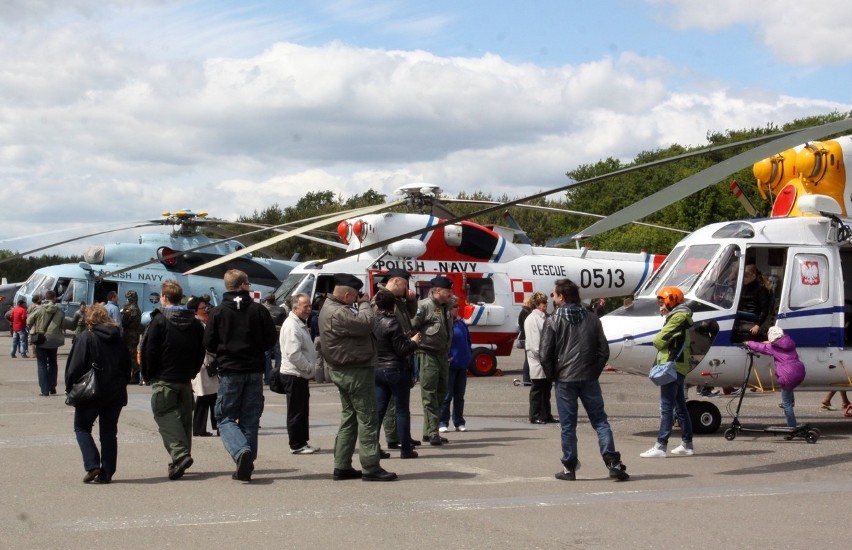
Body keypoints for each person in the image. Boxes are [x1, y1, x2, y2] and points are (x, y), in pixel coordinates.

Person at [540, 279, 629, 482]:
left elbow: (545, 354)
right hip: (588, 377)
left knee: (568, 425)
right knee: (600, 421)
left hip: (565, 379)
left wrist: (554, 376)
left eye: (554, 294)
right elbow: (603, 351)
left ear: (562, 296)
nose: (552, 297)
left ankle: (569, 468)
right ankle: (612, 462)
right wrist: (593, 371)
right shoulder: (591, 318)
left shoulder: (553, 320)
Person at [319, 273, 397, 482]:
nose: (357, 300)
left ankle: (342, 464)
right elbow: (366, 324)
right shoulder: (339, 312)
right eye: (354, 297)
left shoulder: (330, 308)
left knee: (350, 417)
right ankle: (371, 466)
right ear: (346, 295)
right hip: (354, 370)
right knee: (368, 417)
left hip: (345, 368)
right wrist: (364, 305)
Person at [204, 269, 277, 482]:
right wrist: (255, 350)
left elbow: (208, 342)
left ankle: (240, 451)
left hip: (229, 370)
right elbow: (271, 339)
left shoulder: (217, 312)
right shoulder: (258, 310)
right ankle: (246, 462)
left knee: (224, 417)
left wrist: (225, 350)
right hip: (254, 369)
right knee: (250, 418)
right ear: (243, 285)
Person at [141, 280, 206, 480]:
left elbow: (149, 350)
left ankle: (179, 455)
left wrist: (148, 374)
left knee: (165, 415)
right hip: (185, 378)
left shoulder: (159, 321)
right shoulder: (194, 322)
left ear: (164, 297)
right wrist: (193, 371)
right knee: (185, 420)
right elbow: (200, 350)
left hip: (165, 377)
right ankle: (180, 459)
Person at [65, 303, 131, 484]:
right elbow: (128, 365)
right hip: (115, 393)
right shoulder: (118, 338)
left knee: (81, 428)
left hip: (90, 392)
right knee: (109, 433)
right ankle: (107, 472)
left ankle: (92, 463)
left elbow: (74, 368)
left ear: (89, 318)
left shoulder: (86, 337)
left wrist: (70, 388)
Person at [640, 286, 695, 458]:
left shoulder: (678, 318)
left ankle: (660, 446)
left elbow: (658, 340)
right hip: (677, 367)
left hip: (672, 366)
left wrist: (659, 340)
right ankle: (687, 444)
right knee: (680, 407)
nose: (661, 308)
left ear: (672, 302)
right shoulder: (680, 317)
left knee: (666, 407)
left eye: (663, 303)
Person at [372, 268, 421, 452]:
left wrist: (411, 300)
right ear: (398, 282)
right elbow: (385, 330)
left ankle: (401, 437)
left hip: (390, 359)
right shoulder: (381, 300)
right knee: (394, 406)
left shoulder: (397, 301)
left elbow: (409, 316)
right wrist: (411, 342)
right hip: (393, 358)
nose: (407, 288)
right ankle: (395, 439)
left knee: (387, 405)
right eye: (405, 284)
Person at [412, 275, 454, 446]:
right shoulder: (424, 306)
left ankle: (429, 431)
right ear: (437, 291)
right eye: (448, 290)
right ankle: (432, 432)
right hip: (428, 353)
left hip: (442, 355)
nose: (450, 294)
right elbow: (412, 325)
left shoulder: (447, 306)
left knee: (441, 393)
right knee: (429, 394)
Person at [279, 293, 320, 454]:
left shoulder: (299, 323)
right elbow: (293, 353)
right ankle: (296, 444)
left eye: (310, 306)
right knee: (296, 411)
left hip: (300, 374)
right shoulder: (291, 325)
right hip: (294, 374)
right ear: (295, 308)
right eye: (305, 306)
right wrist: (308, 368)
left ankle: (302, 441)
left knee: (302, 409)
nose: (309, 309)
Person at [745, 326, 806, 427]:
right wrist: (768, 342)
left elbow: (761, 347)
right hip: (799, 371)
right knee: (790, 389)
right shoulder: (789, 343)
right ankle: (791, 401)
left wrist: (748, 343)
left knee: (786, 404)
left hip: (788, 375)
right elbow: (772, 344)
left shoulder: (773, 348)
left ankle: (792, 426)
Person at [188, 296, 218, 437]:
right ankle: (199, 428)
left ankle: (217, 425)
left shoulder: (206, 321)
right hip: (203, 364)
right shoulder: (196, 324)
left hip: (210, 363)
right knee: (203, 396)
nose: (206, 310)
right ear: (195, 311)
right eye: (202, 308)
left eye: (206, 307)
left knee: (214, 396)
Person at [439, 297, 471, 433]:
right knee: (447, 395)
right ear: (448, 309)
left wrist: (469, 355)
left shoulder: (461, 323)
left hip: (462, 364)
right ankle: (442, 421)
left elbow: (468, 340)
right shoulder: (446, 323)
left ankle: (459, 421)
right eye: (455, 306)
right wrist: (447, 357)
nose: (458, 309)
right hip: (450, 364)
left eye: (458, 306)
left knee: (459, 395)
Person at [525, 292, 556, 424]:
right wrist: (543, 356)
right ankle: (535, 415)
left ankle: (546, 414)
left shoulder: (544, 317)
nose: (546, 305)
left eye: (546, 303)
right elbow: (534, 342)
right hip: (538, 358)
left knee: (546, 389)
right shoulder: (532, 319)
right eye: (543, 303)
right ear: (537, 304)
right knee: (537, 389)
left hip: (545, 357)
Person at [27, 290, 66, 396]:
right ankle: (52, 386)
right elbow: (63, 325)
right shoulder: (60, 311)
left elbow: (28, 320)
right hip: (54, 340)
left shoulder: (39, 309)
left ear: (45, 297)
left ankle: (45, 389)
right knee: (53, 363)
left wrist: (37, 325)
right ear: (55, 297)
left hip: (42, 339)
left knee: (42, 364)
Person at [733, 264, 771, 342]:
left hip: (754, 315)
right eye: (742, 276)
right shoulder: (744, 287)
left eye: (746, 276)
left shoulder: (761, 290)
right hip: (744, 313)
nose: (743, 278)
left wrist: (758, 325)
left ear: (753, 277)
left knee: (734, 313)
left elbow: (765, 309)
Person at [121, 290, 143, 384]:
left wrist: (124, 314)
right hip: (132, 335)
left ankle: (136, 375)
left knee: (131, 356)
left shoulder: (132, 309)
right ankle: (134, 375)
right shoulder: (135, 308)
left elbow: (126, 323)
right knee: (131, 355)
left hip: (131, 335)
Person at [263, 293, 285, 386]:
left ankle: (268, 378)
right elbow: (284, 321)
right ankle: (277, 377)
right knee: (278, 355)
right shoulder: (281, 309)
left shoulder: (263, 308)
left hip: (266, 334)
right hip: (278, 333)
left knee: (267, 356)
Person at [517, 296, 533, 386]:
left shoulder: (524, 311)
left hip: (523, 337)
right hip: (525, 338)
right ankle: (526, 379)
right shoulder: (526, 313)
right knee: (528, 359)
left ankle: (527, 379)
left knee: (528, 359)